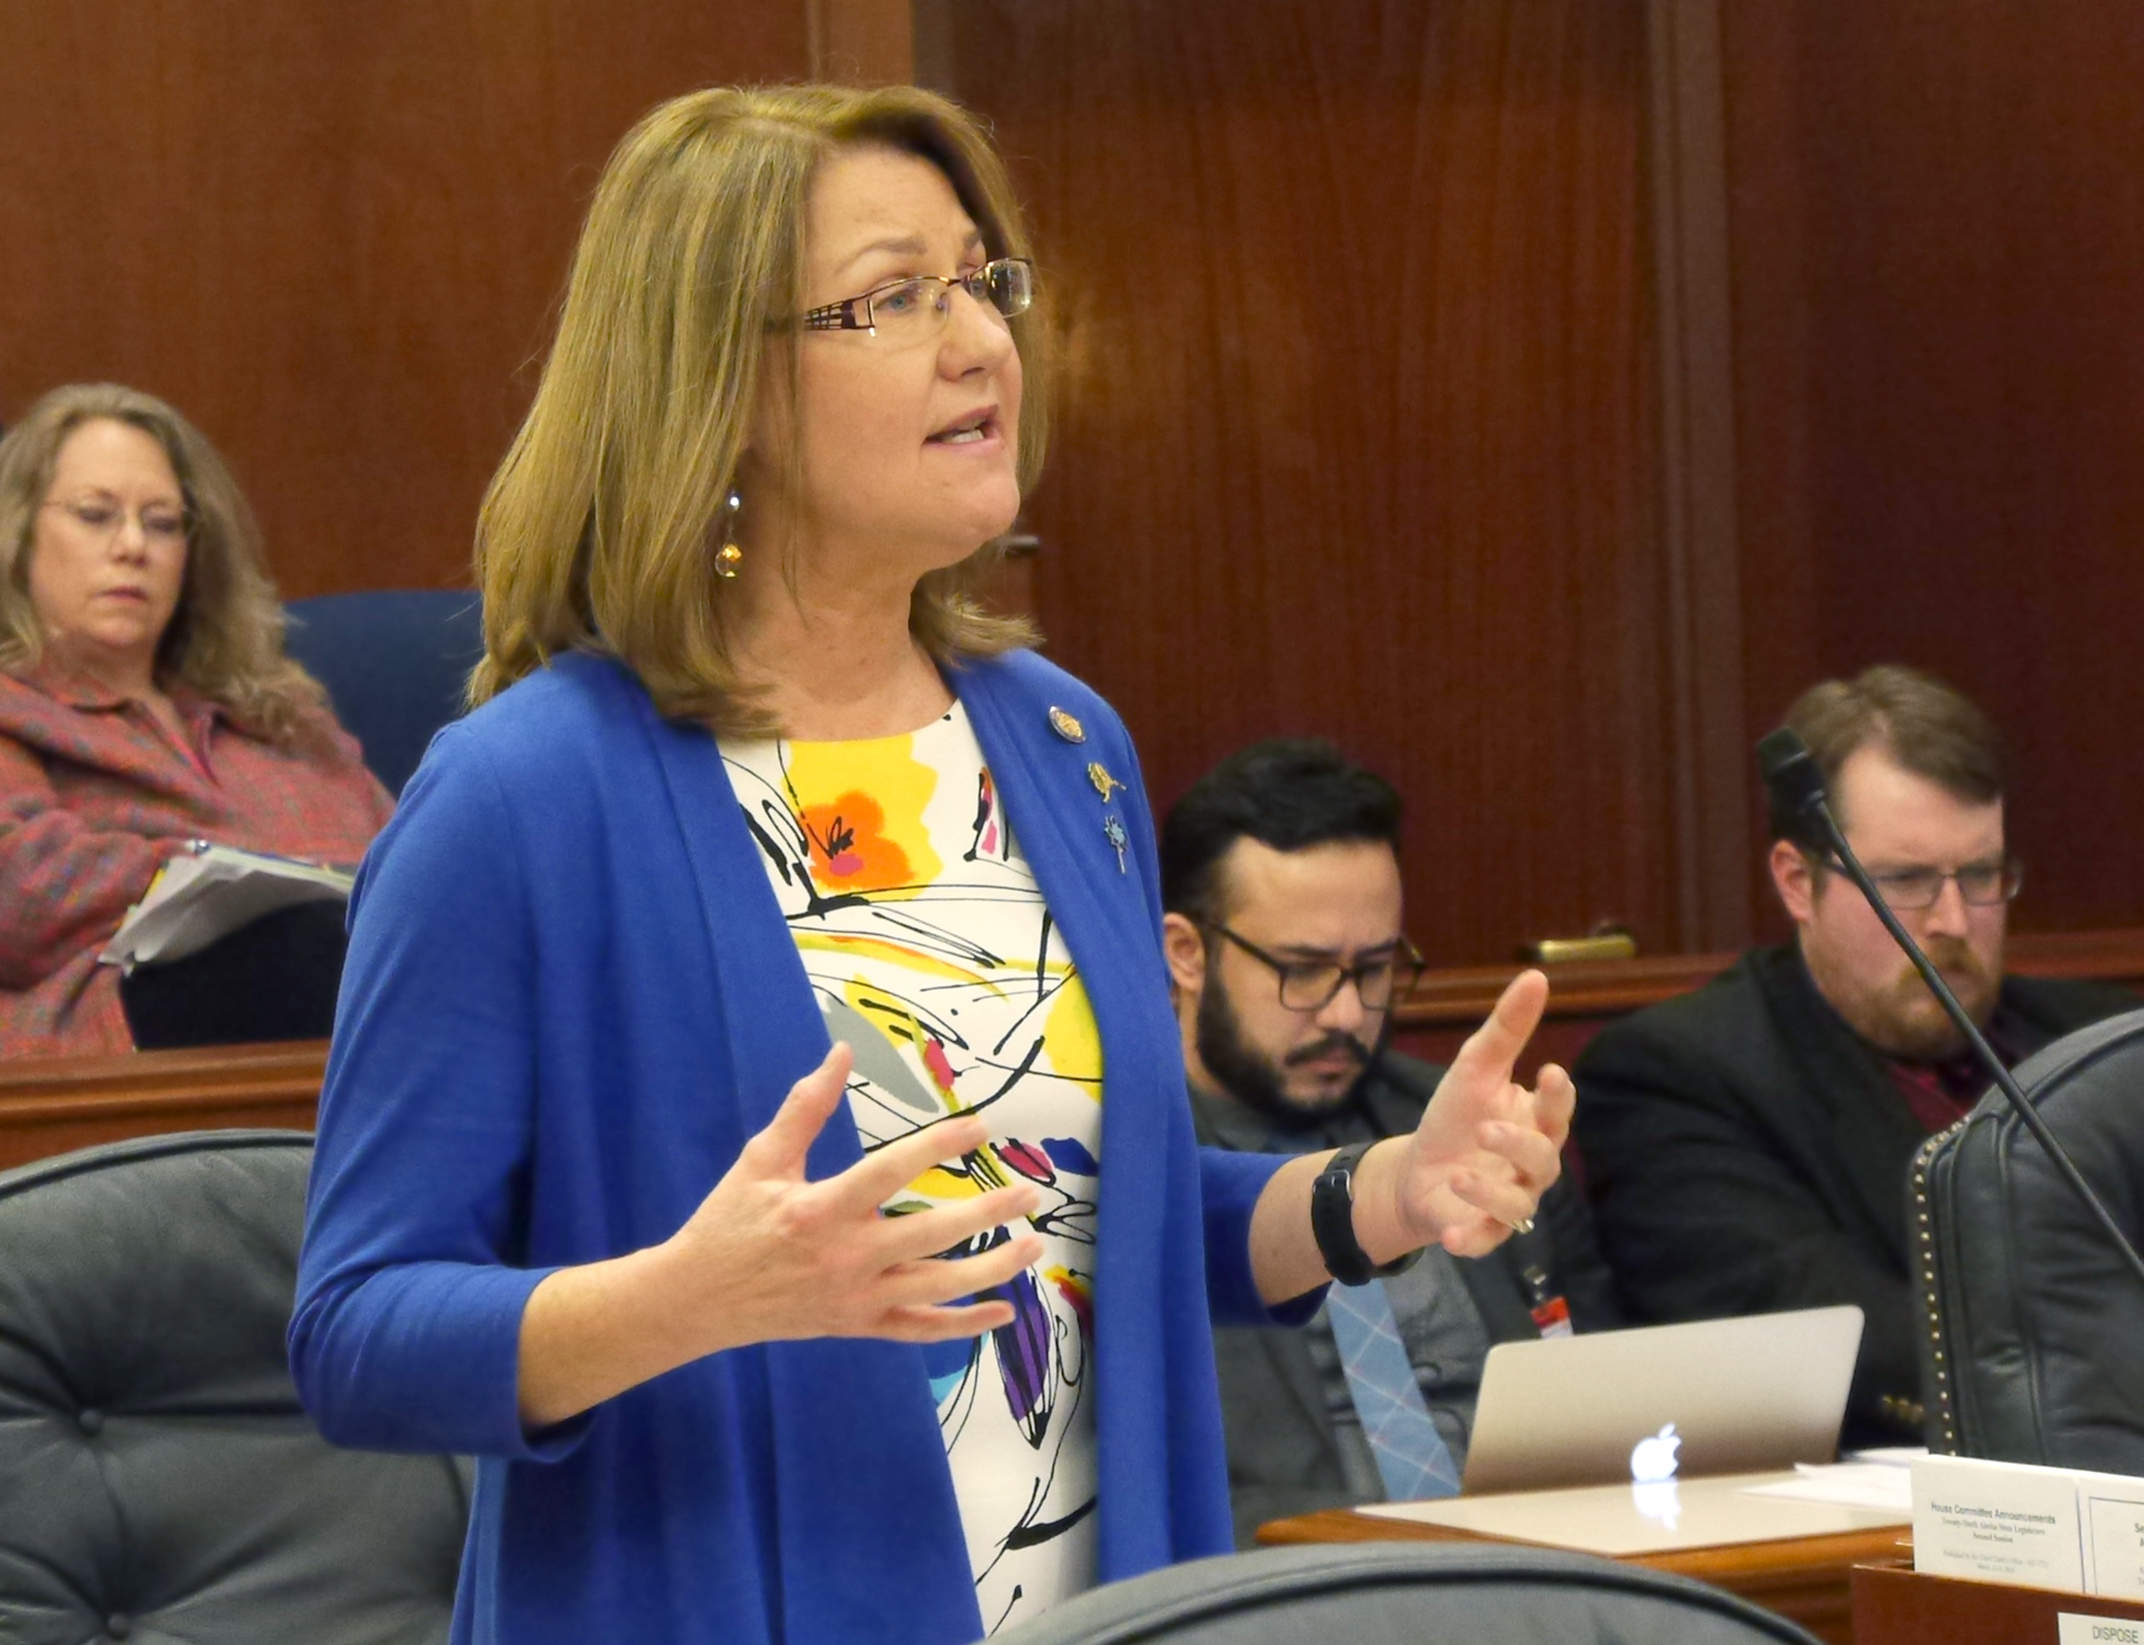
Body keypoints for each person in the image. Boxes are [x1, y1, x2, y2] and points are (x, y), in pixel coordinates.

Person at [287, 84, 1574, 1645]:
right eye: (896, 298)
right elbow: (357, 1332)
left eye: (982, 280)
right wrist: (690, 1298)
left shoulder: (1061, 742)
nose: (981, 341)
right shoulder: (522, 795)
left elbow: (1111, 1224)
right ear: (724, 383)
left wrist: (1387, 1193)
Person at [1573, 665, 2137, 1445]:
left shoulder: (2108, 1047)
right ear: (1798, 882)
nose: (1952, 920)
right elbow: (1833, 1327)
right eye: (1904, 881)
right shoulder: (1677, 1074)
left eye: (1981, 875)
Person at [1159, 738, 1621, 1546]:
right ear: (1186, 953)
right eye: (1303, 970)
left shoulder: (1472, 1129)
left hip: (1547, 1573)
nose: (1345, 1014)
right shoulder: (1131, 1165)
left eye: (1373, 969)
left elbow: (1611, 1400)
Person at [0, 384, 393, 1057]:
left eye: (161, 522)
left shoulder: (284, 720)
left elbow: (408, 864)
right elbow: (20, 892)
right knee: (306, 943)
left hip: (344, 1012)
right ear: (20, 531)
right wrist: (209, 875)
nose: (132, 546)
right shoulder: (15, 709)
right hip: (121, 1054)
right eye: (96, 515)